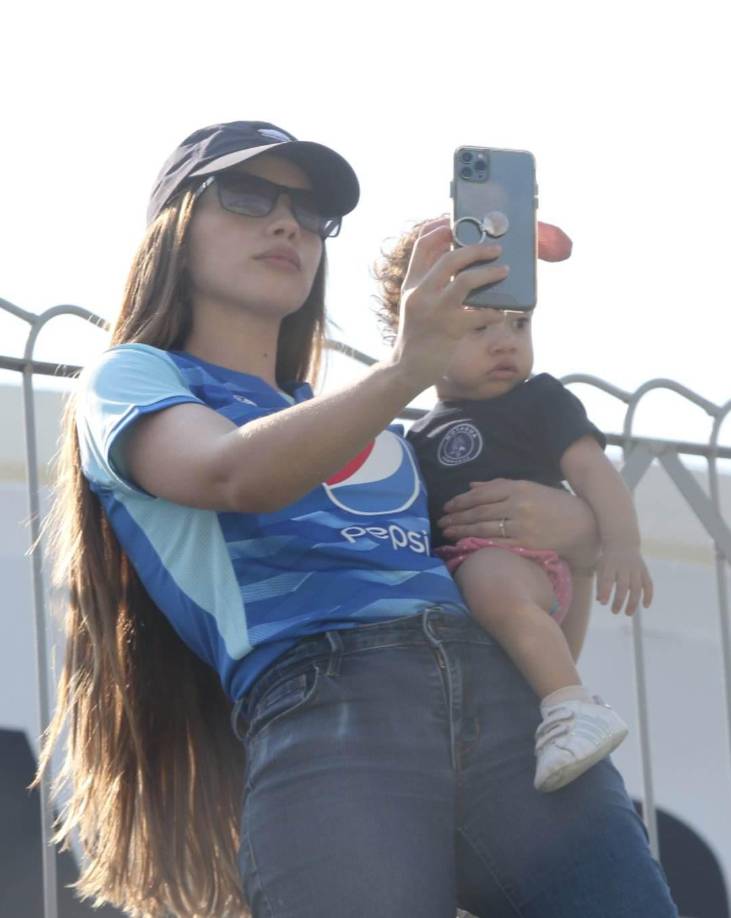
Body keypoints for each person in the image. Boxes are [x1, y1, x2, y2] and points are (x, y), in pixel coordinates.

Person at [36, 121, 678, 918]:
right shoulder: (131, 376)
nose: (286, 224)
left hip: (509, 710)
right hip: (330, 706)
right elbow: (228, 471)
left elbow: (536, 632)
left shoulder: (379, 431)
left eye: (310, 214)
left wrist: (575, 548)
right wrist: (410, 364)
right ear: (172, 228)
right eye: (246, 196)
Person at [376, 221, 652, 792]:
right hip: (464, 581)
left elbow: (594, 474)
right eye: (479, 327)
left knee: (491, 580)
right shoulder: (416, 437)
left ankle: (571, 705)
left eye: (520, 324)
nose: (507, 342)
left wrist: (622, 544)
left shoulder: (540, 400)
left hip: (526, 565)